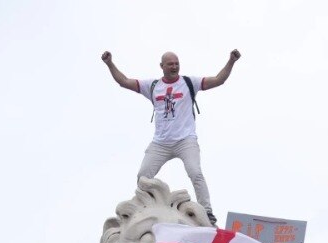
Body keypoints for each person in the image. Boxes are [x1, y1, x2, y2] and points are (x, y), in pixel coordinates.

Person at [100, 49, 241, 225]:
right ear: (162, 66)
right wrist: (109, 63)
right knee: (143, 175)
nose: (174, 67)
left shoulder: (190, 82)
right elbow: (124, 81)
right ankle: (144, 209)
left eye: (176, 63)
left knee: (195, 172)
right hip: (161, 143)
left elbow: (218, 80)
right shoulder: (152, 86)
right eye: (170, 64)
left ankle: (207, 211)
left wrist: (231, 61)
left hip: (185, 140)